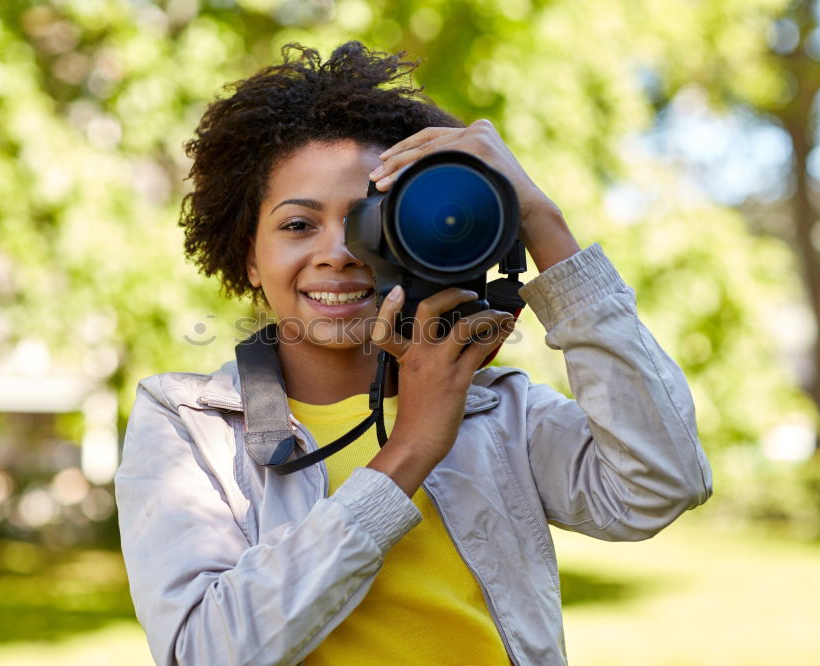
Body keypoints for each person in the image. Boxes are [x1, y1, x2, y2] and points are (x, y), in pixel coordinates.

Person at [115, 42, 713, 666]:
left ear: (418, 239)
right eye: (298, 225)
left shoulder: (494, 410)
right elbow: (203, 653)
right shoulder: (191, 425)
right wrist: (410, 447)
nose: (338, 253)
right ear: (248, 257)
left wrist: (538, 216)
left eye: (368, 219)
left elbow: (661, 483)